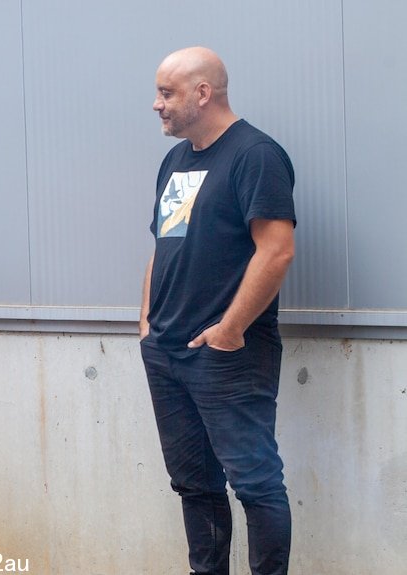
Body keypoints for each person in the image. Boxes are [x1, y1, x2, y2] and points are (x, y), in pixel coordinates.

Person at [139, 47, 296, 575]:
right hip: (167, 351)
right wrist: (147, 325)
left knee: (254, 483)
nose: (156, 105)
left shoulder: (255, 155)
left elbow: (276, 250)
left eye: (167, 93)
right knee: (194, 485)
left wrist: (230, 330)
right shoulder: (177, 159)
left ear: (203, 93)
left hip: (228, 354)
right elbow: (164, 243)